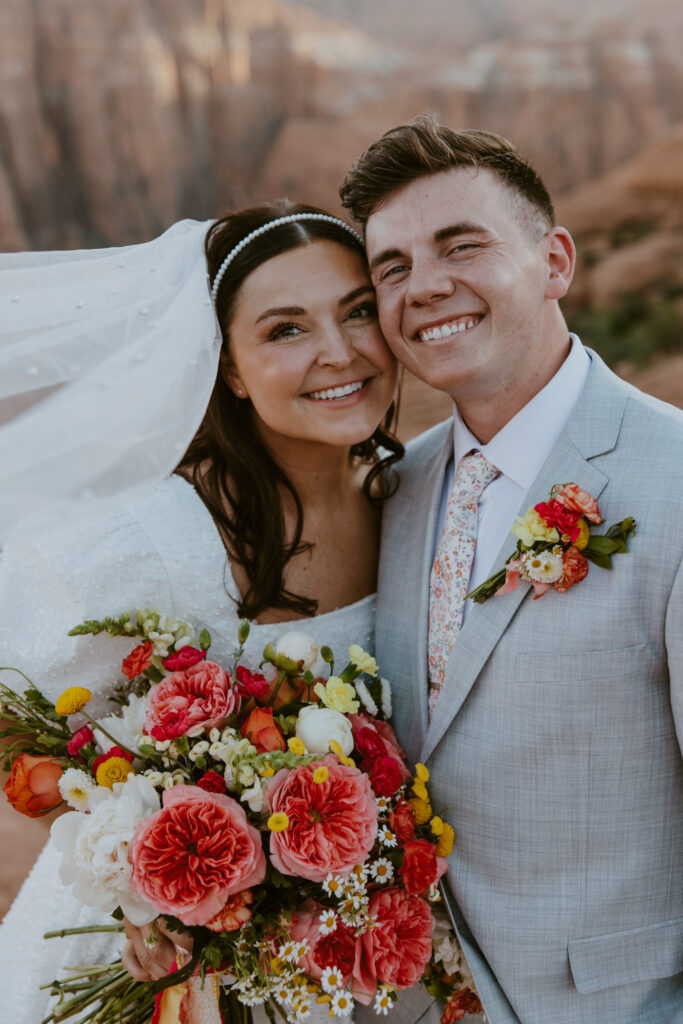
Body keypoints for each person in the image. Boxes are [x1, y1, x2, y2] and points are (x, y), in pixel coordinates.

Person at [0, 200, 401, 1022]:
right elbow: (18, 711)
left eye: (358, 311)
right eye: (285, 329)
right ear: (228, 368)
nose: (340, 352)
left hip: (342, 965)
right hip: (148, 965)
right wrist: (130, 869)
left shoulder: (413, 499)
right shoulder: (154, 537)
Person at [339, 116, 683, 1024]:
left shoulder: (676, 483)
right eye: (393, 267)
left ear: (555, 262)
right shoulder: (393, 490)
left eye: (462, 246)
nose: (426, 288)